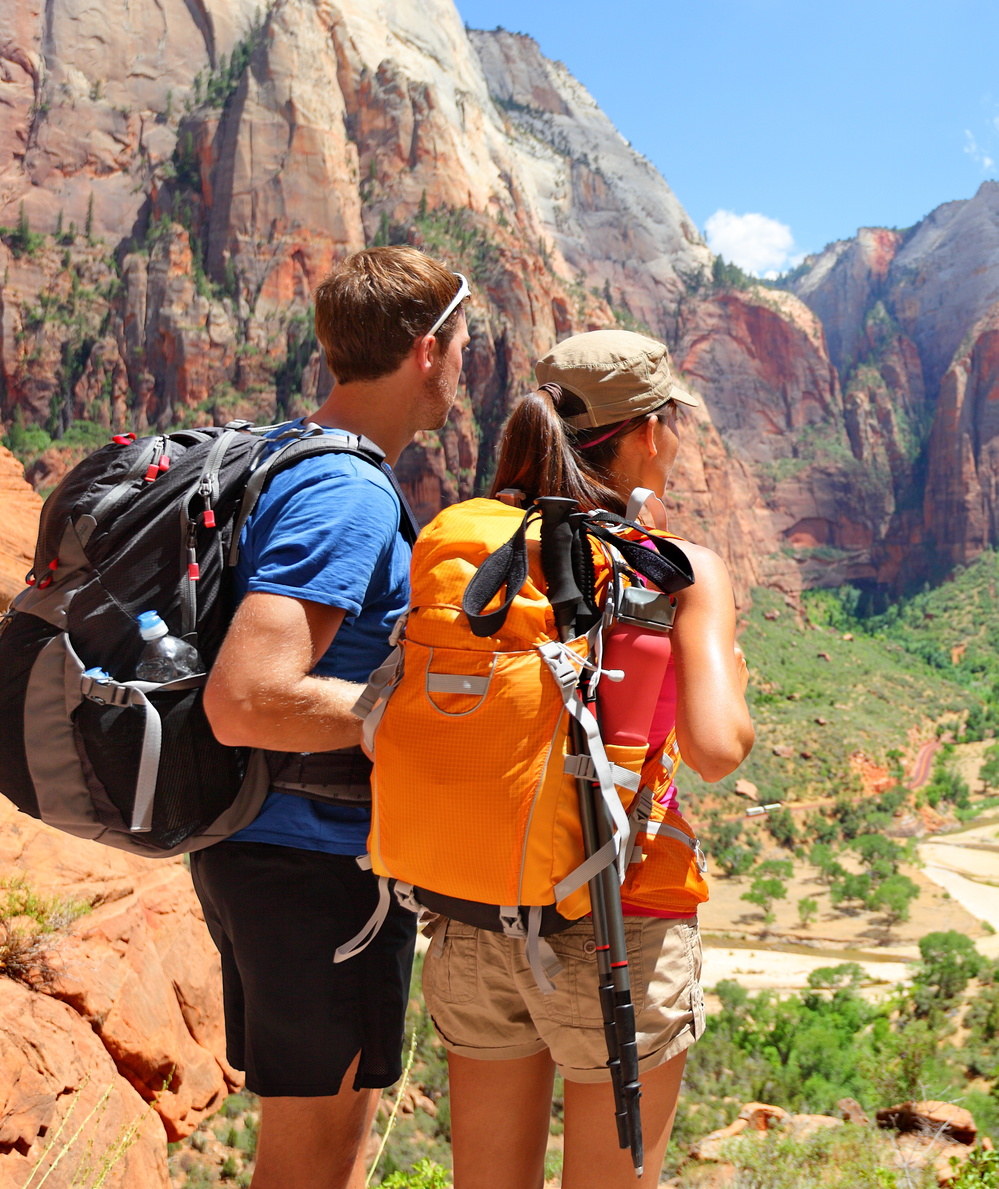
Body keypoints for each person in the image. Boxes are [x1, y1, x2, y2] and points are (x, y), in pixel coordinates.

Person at [425, 330, 754, 1189]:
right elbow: (719, 750)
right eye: (675, 422)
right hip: (623, 916)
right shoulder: (678, 567)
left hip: (475, 904)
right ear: (649, 433)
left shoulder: (474, 547)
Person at [195, 246, 470, 1189]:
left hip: (263, 849)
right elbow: (247, 697)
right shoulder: (348, 492)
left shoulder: (282, 451)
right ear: (429, 350)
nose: (467, 365)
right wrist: (414, 721)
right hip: (311, 866)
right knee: (314, 1169)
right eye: (463, 343)